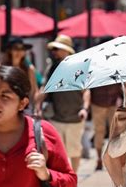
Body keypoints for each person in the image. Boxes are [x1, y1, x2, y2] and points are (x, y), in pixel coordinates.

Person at [36, 35, 91, 173]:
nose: (54, 52)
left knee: (74, 150)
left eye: (57, 49)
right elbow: (44, 89)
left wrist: (84, 109)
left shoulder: (78, 68)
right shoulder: (52, 68)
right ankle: (60, 176)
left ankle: (74, 176)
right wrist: (38, 107)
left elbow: (86, 91)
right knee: (57, 150)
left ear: (67, 51)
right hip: (56, 117)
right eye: (54, 49)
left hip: (75, 117)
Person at [1, 37, 39, 114]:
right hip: (6, 107)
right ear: (10, 50)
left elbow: (34, 91)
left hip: (24, 108)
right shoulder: (1, 68)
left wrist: (37, 107)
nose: (19, 51)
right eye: (16, 48)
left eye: (22, 49)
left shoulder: (29, 69)